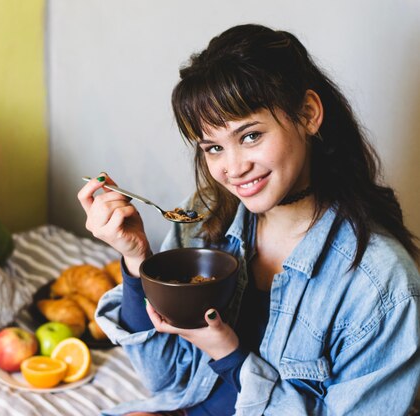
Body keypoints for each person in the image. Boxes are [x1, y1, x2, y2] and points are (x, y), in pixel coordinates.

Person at [77, 24, 420, 416]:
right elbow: (168, 379)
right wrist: (138, 261)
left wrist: (229, 354)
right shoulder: (204, 217)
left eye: (251, 136)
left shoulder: (380, 286)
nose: (233, 169)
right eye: (214, 147)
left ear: (308, 114)